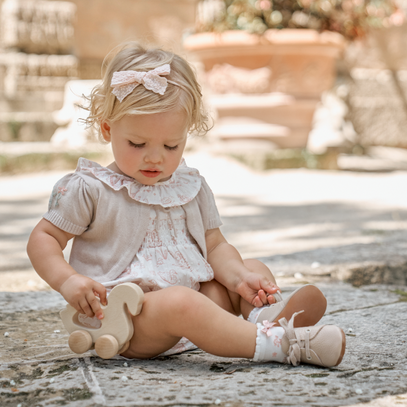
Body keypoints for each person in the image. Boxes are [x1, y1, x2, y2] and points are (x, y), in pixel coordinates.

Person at [27, 42, 345, 367]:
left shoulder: (189, 185)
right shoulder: (90, 188)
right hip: (130, 318)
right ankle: (279, 344)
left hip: (197, 307)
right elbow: (44, 238)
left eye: (171, 144)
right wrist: (67, 280)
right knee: (182, 302)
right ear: (108, 129)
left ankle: (267, 316)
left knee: (252, 268)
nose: (155, 157)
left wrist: (237, 278)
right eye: (137, 144)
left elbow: (215, 244)